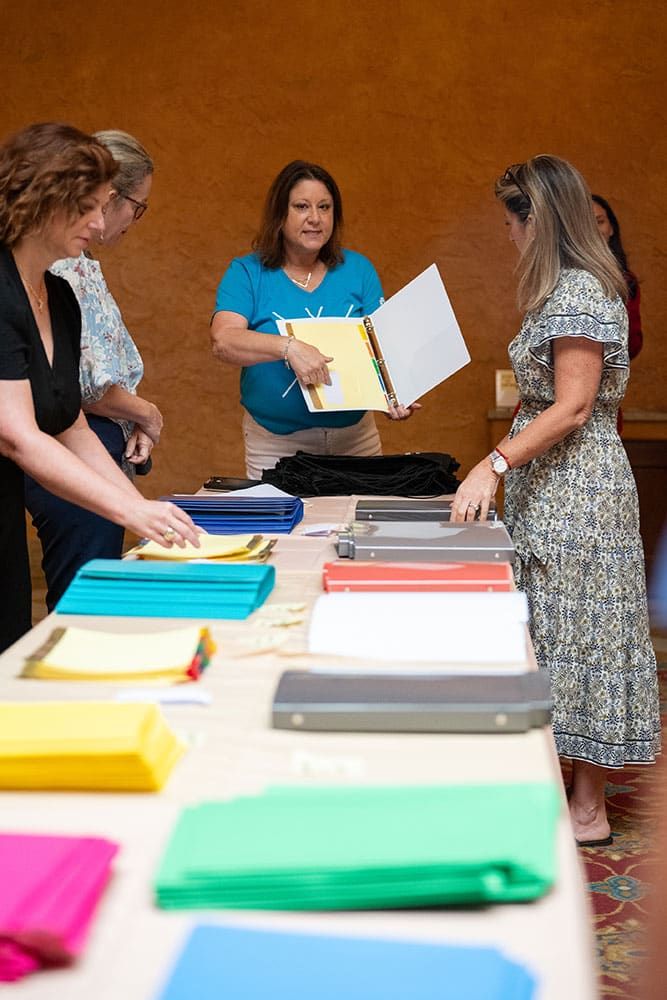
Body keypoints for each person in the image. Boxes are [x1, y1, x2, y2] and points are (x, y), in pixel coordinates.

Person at [451, 155, 660, 846]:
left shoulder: (575, 292)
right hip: (556, 485)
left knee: (582, 636)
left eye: (512, 222)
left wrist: (493, 463)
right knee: (555, 632)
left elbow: (572, 406)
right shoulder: (568, 287)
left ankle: (587, 808)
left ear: (537, 220)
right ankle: (555, 785)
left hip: (578, 488)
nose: (508, 235)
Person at [0, 122, 199, 653]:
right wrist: (129, 511)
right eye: (88, 207)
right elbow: (17, 435)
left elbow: (71, 424)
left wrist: (140, 506)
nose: (98, 221)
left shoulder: (60, 297)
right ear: (44, 200)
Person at [24, 129, 164, 611]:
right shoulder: (54, 271)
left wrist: (137, 507)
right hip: (60, 453)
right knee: (83, 596)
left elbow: (73, 410)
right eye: (136, 207)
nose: (105, 221)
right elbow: (82, 390)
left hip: (83, 444)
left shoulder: (69, 276)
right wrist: (146, 413)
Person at [210, 159, 418, 479]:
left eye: (324, 207)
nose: (315, 218)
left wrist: (395, 391)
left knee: (359, 514)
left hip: (356, 441)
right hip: (275, 445)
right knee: (284, 516)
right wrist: (289, 347)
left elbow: (381, 348)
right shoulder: (247, 273)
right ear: (280, 214)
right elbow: (224, 341)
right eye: (301, 206)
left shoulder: (359, 270)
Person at [592, 194, 643, 361]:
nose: (595, 230)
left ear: (611, 228)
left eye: (599, 222)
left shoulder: (627, 281)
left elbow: (633, 344)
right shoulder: (564, 278)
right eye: (587, 224)